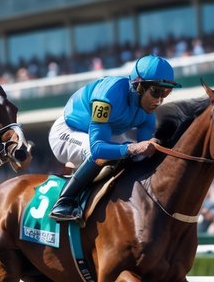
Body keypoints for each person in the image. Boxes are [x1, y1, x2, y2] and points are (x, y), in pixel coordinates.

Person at [48, 54, 178, 222]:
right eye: (156, 91)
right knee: (107, 153)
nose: (160, 100)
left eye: (166, 92)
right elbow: (97, 149)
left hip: (106, 133)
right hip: (67, 132)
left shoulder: (147, 111)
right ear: (139, 86)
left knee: (136, 154)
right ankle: (64, 202)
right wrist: (132, 148)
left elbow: (143, 153)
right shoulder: (108, 96)